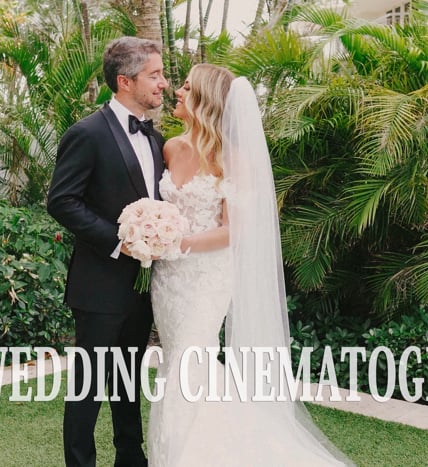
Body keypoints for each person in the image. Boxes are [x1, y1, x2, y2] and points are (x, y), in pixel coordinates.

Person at [147, 64, 354, 466]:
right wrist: (151, 233)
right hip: (168, 279)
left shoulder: (230, 158)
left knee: (188, 363)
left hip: (206, 278)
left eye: (186, 87)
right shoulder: (170, 147)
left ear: (203, 99)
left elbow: (232, 230)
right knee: (178, 360)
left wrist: (177, 242)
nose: (176, 91)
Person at [46, 36, 168, 467]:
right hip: (98, 286)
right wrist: (121, 240)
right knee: (88, 388)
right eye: (155, 75)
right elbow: (62, 201)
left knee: (127, 382)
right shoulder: (86, 133)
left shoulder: (157, 140)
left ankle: (130, 460)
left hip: (142, 289)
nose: (163, 84)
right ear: (124, 80)